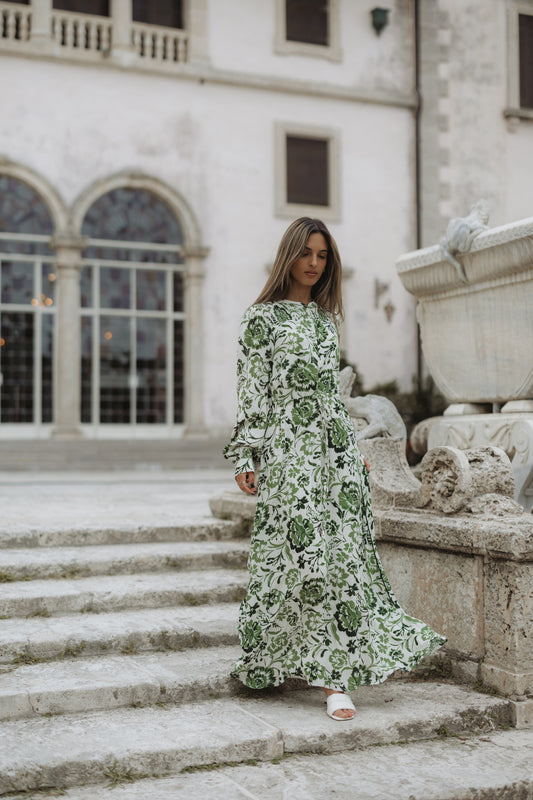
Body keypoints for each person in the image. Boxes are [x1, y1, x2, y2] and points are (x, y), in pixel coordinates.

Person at [223, 217, 446, 721]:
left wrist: (349, 446)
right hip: (288, 452)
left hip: (334, 453)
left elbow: (330, 397)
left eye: (322, 256)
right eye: (306, 253)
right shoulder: (260, 319)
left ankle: (331, 676)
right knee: (300, 559)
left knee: (343, 558)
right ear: (289, 255)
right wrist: (245, 454)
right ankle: (281, 655)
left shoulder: (326, 322)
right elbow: (254, 394)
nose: (314, 263)